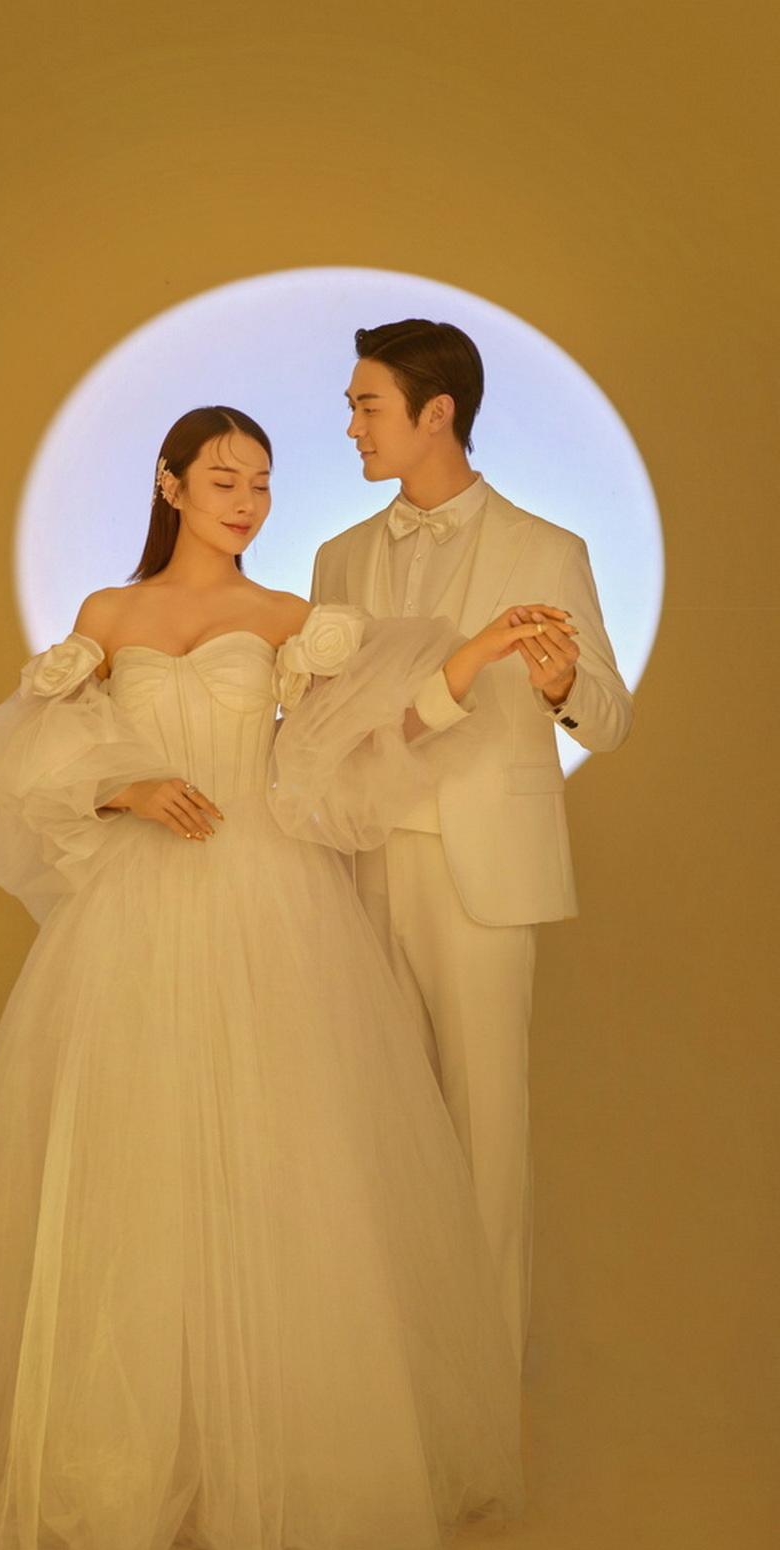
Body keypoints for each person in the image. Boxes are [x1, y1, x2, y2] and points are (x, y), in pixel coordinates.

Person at [0, 405, 569, 1550]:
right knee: (134, 1152)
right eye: (225, 479)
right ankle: (119, 1453)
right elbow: (30, 752)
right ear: (170, 486)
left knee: (280, 1159)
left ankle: (272, 1457)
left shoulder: (290, 618)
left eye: (262, 482)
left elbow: (370, 734)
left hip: (270, 894)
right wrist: (127, 788)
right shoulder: (108, 617)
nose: (247, 501)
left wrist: (478, 653)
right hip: (141, 907)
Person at [310, 320, 635, 1371]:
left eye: (367, 405)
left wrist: (559, 685)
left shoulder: (549, 549)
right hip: (364, 861)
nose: (351, 426)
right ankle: (394, 1383)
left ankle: (486, 1390)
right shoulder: (337, 558)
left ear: (436, 412)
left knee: (488, 1138)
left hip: (486, 872)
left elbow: (608, 719)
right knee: (378, 1129)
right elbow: (324, 722)